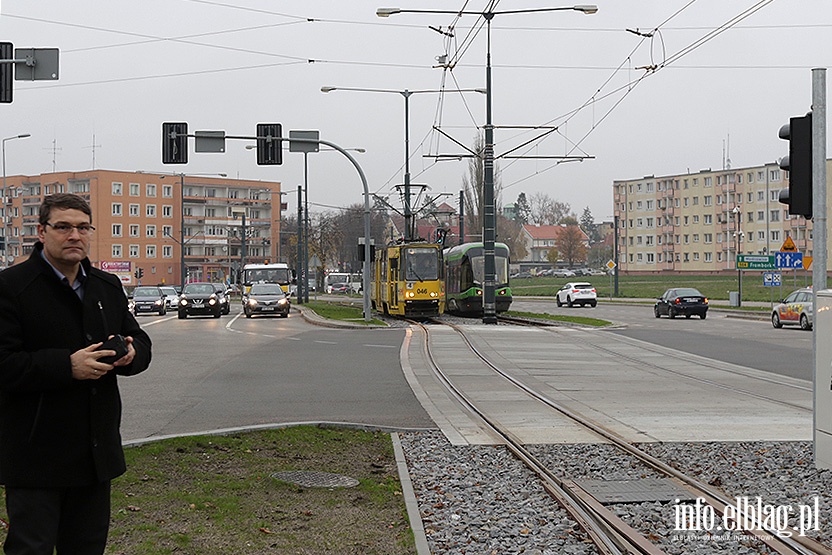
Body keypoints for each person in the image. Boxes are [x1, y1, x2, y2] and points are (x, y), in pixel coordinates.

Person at [0, 193, 152, 554]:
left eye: (83, 228)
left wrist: (131, 354)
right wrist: (66, 366)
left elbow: (141, 341)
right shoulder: (11, 288)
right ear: (41, 231)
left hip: (94, 453)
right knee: (30, 548)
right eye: (63, 227)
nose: (74, 236)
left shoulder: (106, 286)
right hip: (34, 455)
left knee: (86, 547)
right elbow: (4, 364)